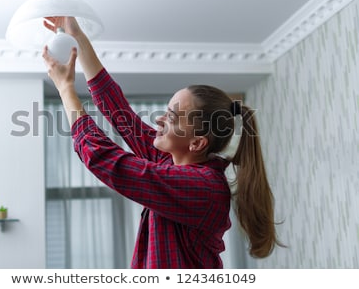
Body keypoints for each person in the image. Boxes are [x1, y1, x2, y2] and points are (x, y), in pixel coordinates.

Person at [42, 16, 282, 268]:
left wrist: (66, 88)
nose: (159, 120)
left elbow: (104, 159)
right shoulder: (172, 163)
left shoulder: (203, 187)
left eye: (173, 117)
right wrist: (77, 37)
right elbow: (118, 111)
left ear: (197, 143)